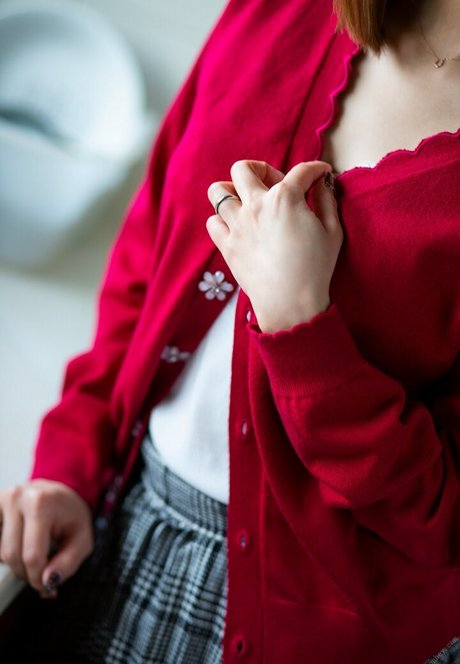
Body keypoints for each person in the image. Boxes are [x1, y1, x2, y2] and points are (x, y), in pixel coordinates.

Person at [0, 0, 459, 661]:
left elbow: (445, 520)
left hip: (320, 623)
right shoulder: (277, 12)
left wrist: (303, 327)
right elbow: (148, 256)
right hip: (117, 520)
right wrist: (72, 467)